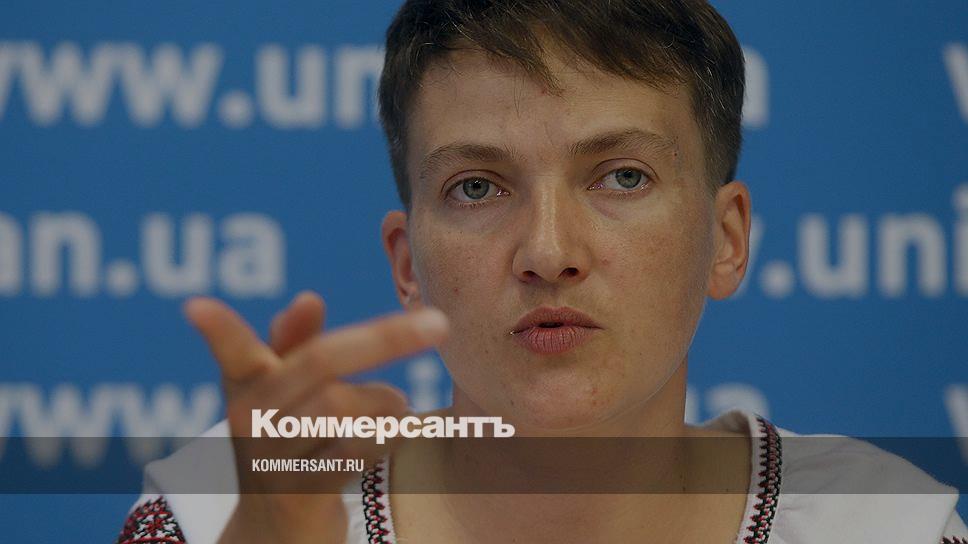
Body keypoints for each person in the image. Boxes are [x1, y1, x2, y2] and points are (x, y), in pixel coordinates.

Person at [116, 1, 967, 543]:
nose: (549, 251)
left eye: (622, 176)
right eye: (477, 187)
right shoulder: (231, 512)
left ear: (726, 239)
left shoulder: (883, 526)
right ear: (408, 266)